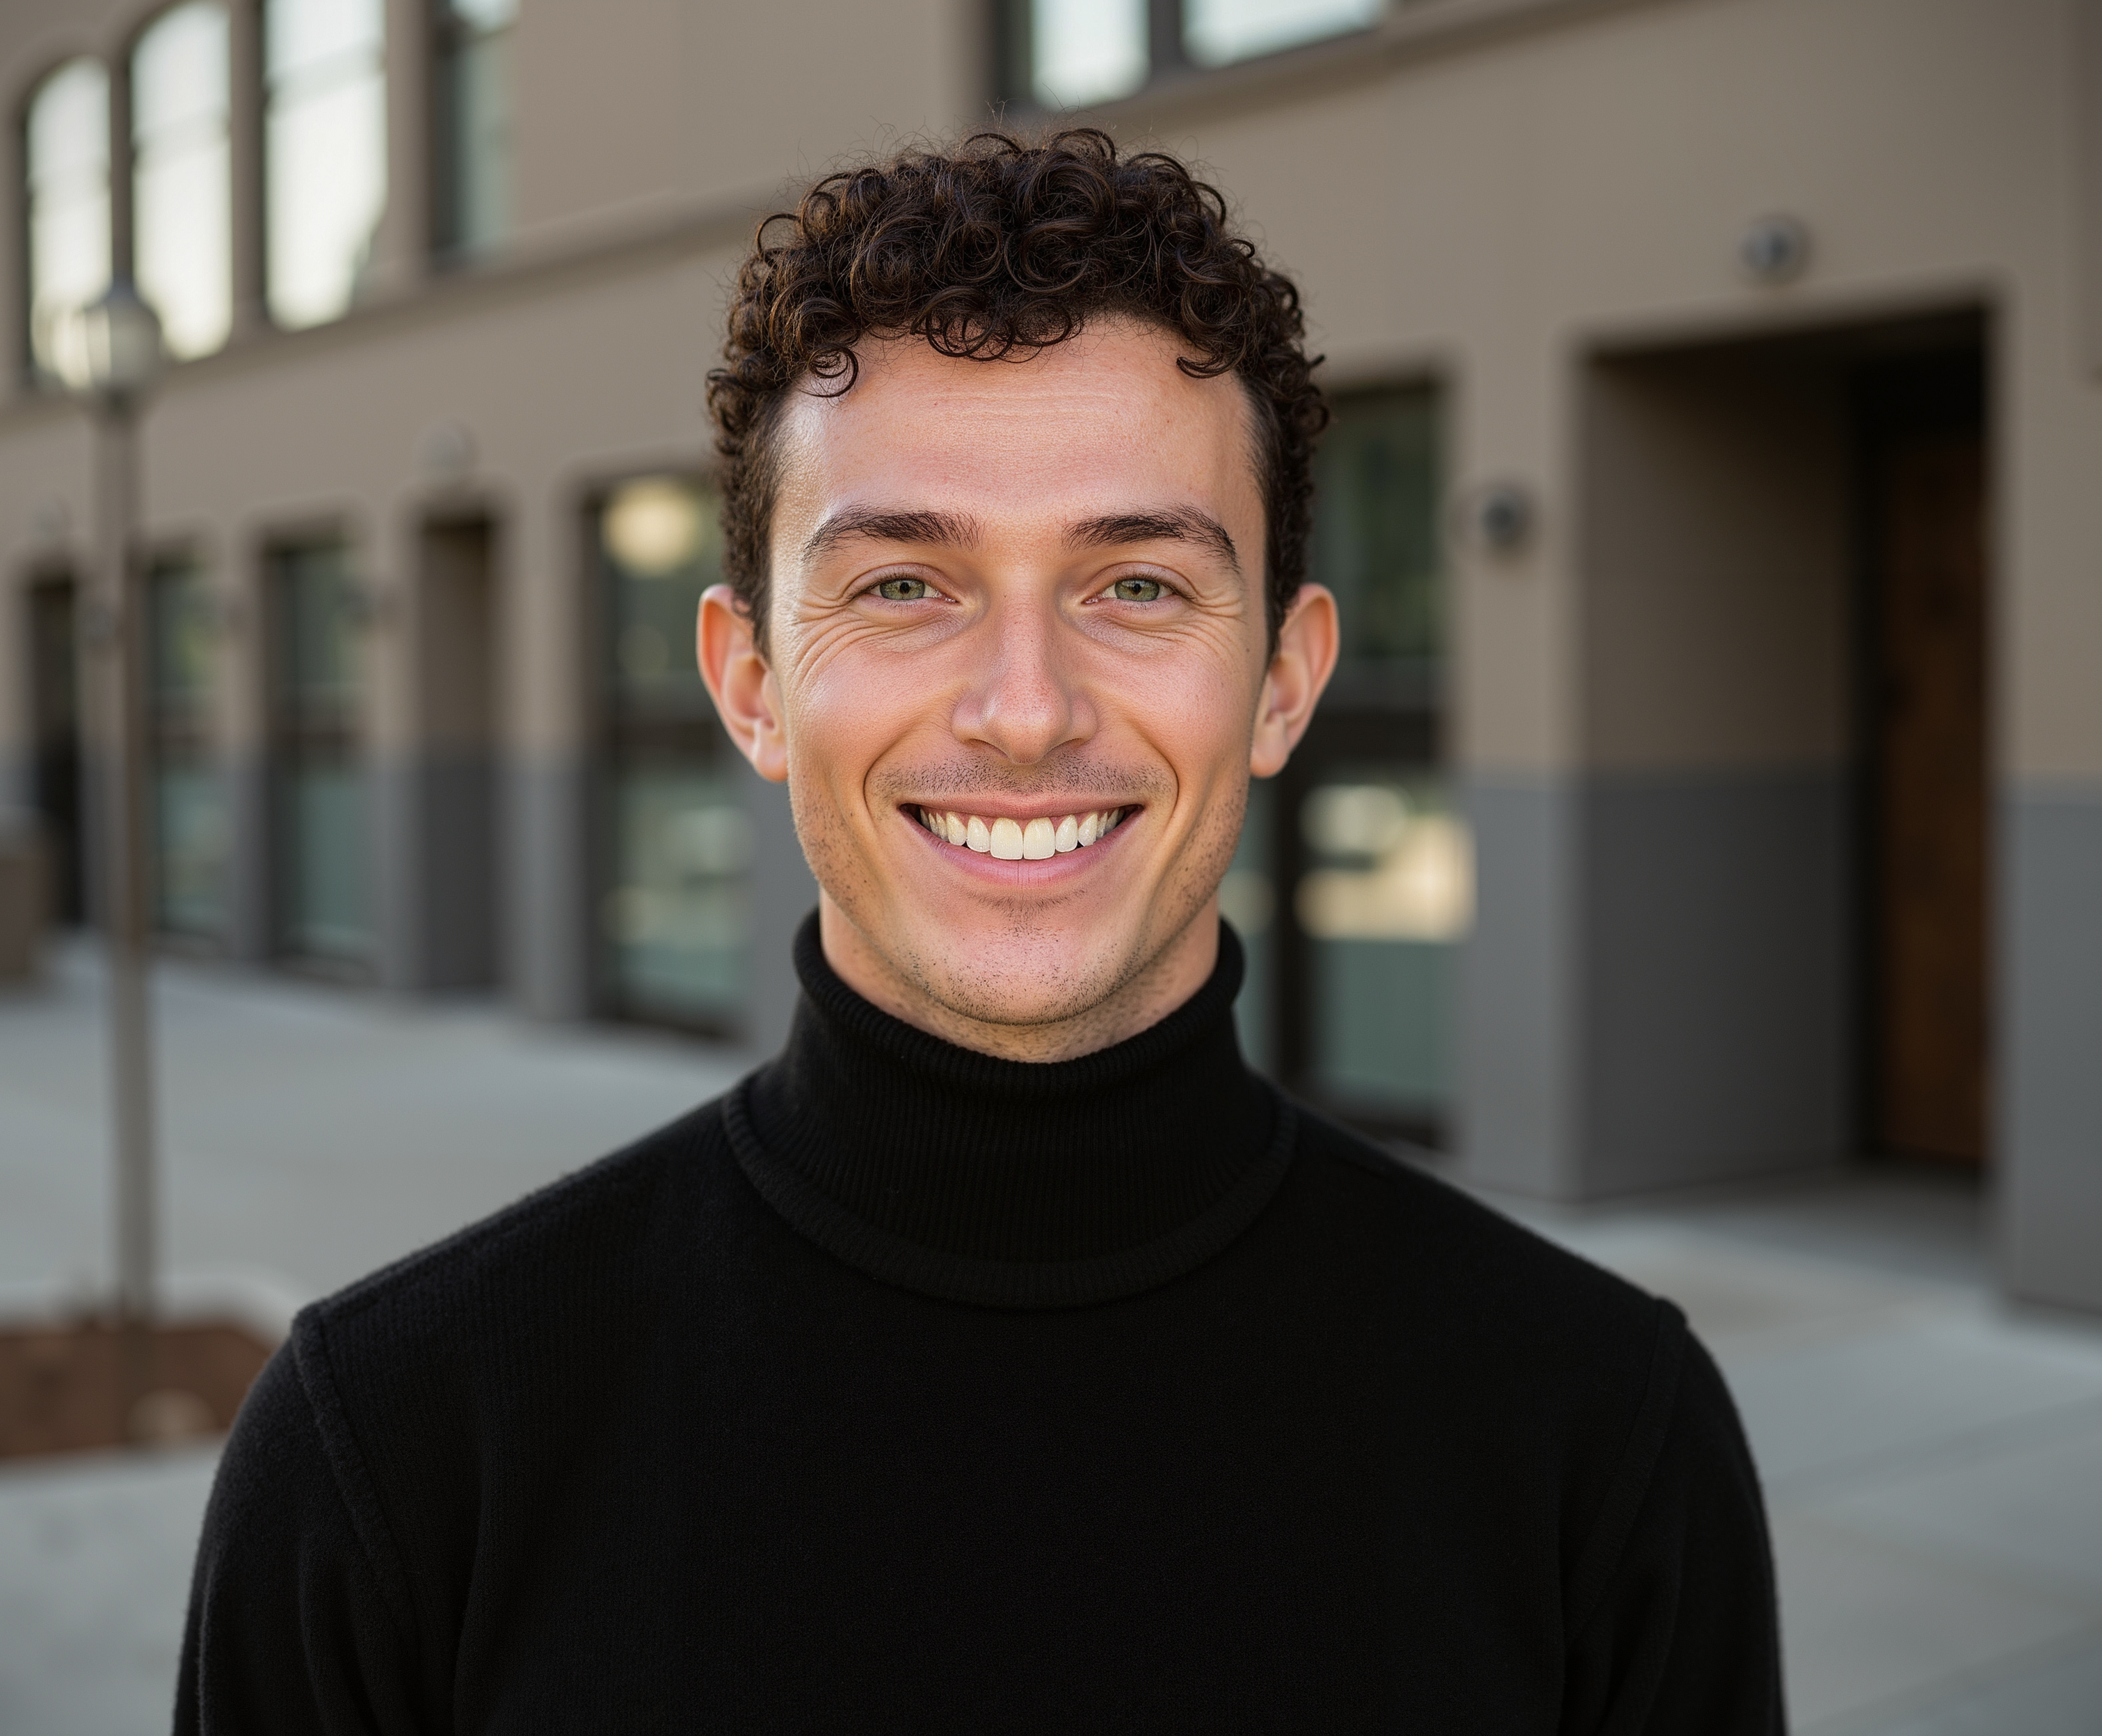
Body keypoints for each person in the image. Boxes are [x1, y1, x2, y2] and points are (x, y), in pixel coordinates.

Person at [177, 130, 1782, 1732]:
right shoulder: (397, 1454)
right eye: (904, 589)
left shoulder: (1596, 1446)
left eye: (1139, 586)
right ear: (751, 684)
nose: (1025, 714)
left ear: (1285, 681)